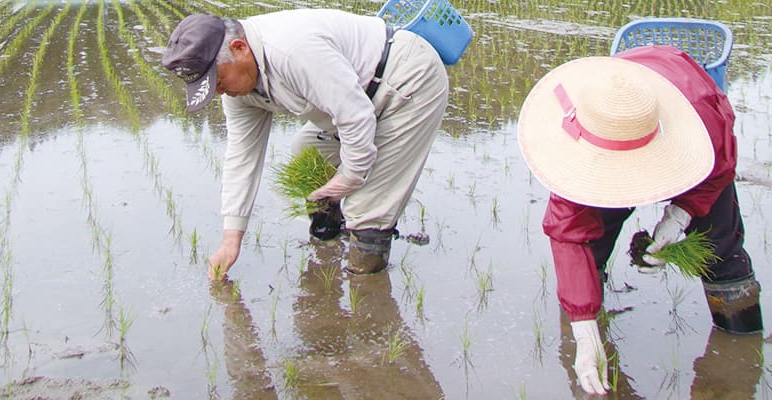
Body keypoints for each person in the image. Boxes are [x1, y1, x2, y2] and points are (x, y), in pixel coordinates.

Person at [517, 45, 763, 395]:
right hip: (610, 135)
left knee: (719, 247)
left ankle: (741, 337)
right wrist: (584, 330)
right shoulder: (583, 140)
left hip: (676, 107)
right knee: (590, 255)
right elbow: (569, 235)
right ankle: (592, 344)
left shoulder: (700, 119)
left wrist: (680, 214)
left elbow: (721, 165)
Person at [161, 10, 449, 280]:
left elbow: (355, 116)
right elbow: (241, 155)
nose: (220, 92)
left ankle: (367, 286)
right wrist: (230, 239)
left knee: (366, 212)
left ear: (239, 48)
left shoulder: (292, 51)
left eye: (219, 81)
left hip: (406, 82)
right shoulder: (239, 88)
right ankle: (328, 236)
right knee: (307, 153)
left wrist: (348, 178)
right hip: (358, 98)